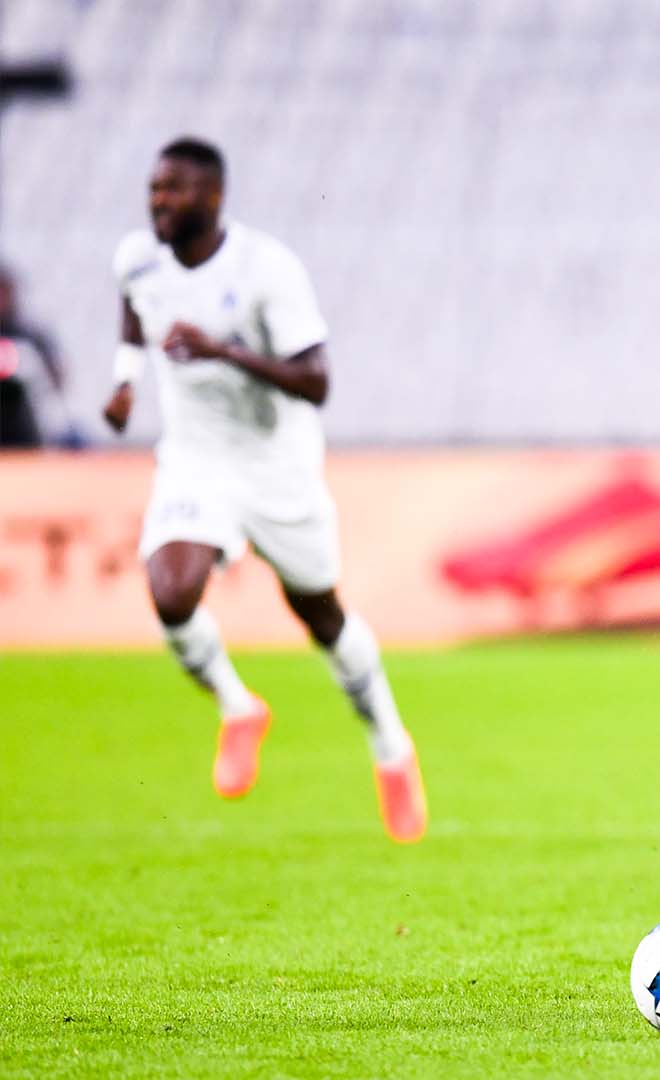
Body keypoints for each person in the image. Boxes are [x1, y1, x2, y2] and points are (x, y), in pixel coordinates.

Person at [102, 137, 426, 842]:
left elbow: (317, 382)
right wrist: (125, 379)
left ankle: (390, 746)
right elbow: (134, 307)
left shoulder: (266, 269)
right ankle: (237, 705)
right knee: (171, 592)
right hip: (195, 458)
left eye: (174, 191)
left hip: (276, 465)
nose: (159, 201)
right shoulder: (138, 258)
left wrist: (223, 350)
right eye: (154, 189)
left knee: (321, 616)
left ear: (213, 198)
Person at [0, 262, 69, 447]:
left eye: (5, 292)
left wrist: (29, 368)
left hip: (24, 434)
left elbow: (58, 378)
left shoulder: (30, 335)